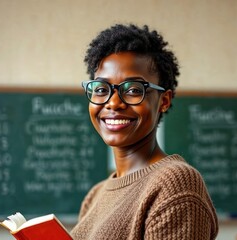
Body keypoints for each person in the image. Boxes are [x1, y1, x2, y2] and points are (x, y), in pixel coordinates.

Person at [71, 23, 218, 240]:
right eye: (101, 89)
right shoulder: (95, 195)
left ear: (164, 101)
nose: (113, 103)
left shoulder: (175, 184)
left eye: (133, 90)